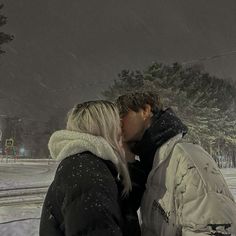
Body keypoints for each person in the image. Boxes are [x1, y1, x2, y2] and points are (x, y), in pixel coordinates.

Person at [116, 91, 236, 236]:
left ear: (145, 111)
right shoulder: (153, 164)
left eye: (122, 114)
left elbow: (211, 229)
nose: (117, 123)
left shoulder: (187, 159)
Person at [39, 100, 141, 236]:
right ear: (107, 129)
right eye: (118, 125)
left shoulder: (82, 165)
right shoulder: (89, 174)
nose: (122, 133)